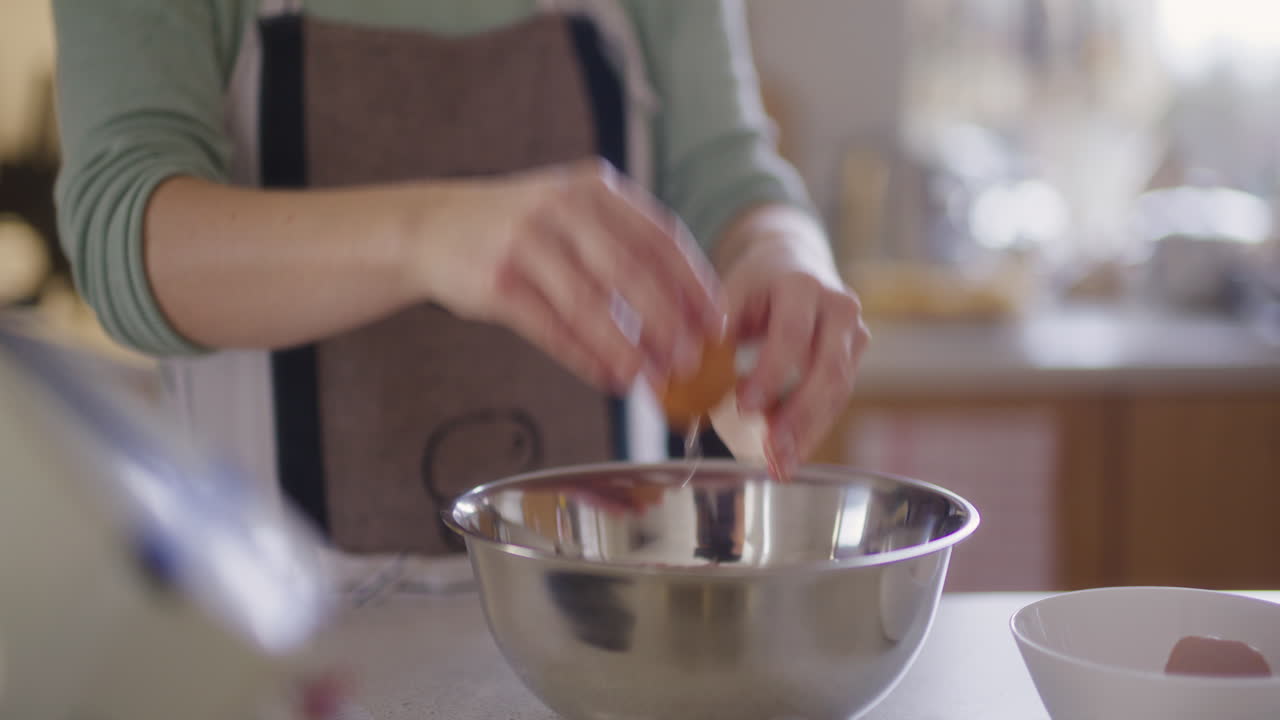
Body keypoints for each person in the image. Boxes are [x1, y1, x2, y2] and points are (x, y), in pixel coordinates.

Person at [52, 0, 870, 555]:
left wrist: (782, 254)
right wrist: (428, 236)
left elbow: (727, 177)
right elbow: (128, 238)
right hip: (268, 646)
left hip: (600, 646)